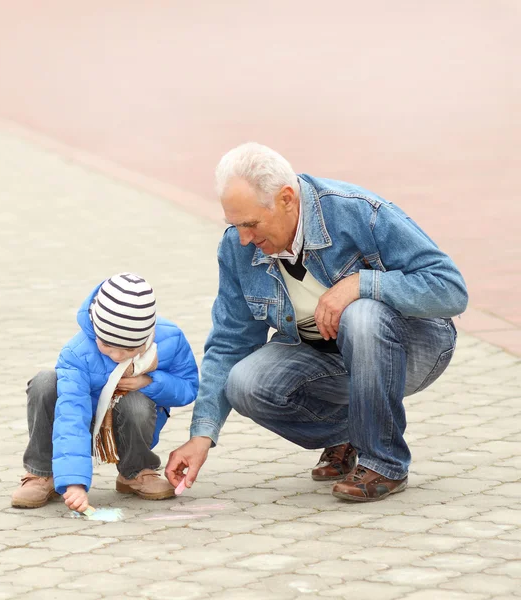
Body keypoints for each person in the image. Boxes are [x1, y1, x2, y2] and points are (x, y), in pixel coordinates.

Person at [166, 142, 467, 502]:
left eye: (250, 224)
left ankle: (384, 463)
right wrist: (202, 435)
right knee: (245, 383)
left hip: (413, 346)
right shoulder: (237, 246)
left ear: (287, 199)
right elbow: (231, 342)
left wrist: (360, 285)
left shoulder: (357, 212)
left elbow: (450, 289)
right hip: (322, 353)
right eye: (235, 225)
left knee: (362, 313)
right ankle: (350, 434)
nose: (244, 238)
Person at [11, 272, 199, 511]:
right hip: (85, 424)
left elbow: (188, 387)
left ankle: (136, 471)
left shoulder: (170, 339)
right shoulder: (78, 352)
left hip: (128, 425)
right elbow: (72, 414)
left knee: (137, 403)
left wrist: (149, 382)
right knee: (45, 382)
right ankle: (43, 473)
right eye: (108, 346)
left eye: (130, 348)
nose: (118, 356)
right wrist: (74, 483)